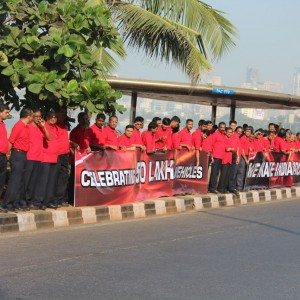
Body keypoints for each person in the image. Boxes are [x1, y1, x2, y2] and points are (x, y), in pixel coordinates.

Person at [3, 108, 33, 211]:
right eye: (32, 116)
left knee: (20, 181)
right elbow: (11, 141)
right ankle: (8, 204)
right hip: (17, 154)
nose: (32, 118)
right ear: (28, 116)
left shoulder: (26, 127)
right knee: (15, 180)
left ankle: (15, 203)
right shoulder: (18, 126)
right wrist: (7, 154)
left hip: (24, 155)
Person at [25, 108, 51, 208]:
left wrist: (44, 127)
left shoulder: (41, 128)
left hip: (39, 158)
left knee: (34, 182)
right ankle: (24, 201)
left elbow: (49, 138)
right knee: (27, 181)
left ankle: (31, 201)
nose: (38, 118)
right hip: (29, 157)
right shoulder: (28, 127)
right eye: (36, 116)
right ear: (32, 117)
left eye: (39, 116)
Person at [34, 111, 60, 209]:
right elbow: (49, 138)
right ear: (47, 118)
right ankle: (39, 201)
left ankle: (47, 201)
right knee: (43, 181)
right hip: (45, 158)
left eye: (55, 117)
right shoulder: (43, 126)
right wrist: (44, 126)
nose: (53, 119)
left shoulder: (55, 128)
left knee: (51, 181)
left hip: (54, 158)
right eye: (51, 117)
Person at [56, 107, 71, 206]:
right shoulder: (54, 125)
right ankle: (54, 199)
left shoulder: (65, 125)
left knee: (64, 177)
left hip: (65, 155)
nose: (63, 114)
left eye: (65, 113)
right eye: (61, 113)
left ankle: (60, 199)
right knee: (55, 177)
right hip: (57, 155)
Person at [217, 127, 238, 193]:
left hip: (230, 158)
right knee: (223, 174)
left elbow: (234, 149)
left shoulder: (231, 139)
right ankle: (220, 188)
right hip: (224, 158)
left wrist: (231, 149)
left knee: (227, 175)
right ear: (226, 132)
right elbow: (227, 149)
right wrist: (231, 149)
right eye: (228, 132)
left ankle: (224, 188)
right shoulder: (224, 138)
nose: (230, 133)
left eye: (231, 132)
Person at [208, 122, 227, 193]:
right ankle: (212, 188)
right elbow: (211, 145)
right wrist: (211, 156)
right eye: (221, 127)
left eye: (223, 127)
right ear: (219, 127)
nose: (222, 129)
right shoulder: (215, 135)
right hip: (215, 156)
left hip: (222, 157)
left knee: (217, 173)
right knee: (214, 173)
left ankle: (214, 187)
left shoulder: (224, 135)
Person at [236, 127, 253, 191]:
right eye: (247, 131)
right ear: (245, 132)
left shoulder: (249, 139)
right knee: (241, 172)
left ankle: (244, 186)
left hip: (248, 157)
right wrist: (246, 159)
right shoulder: (242, 138)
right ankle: (239, 187)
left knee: (246, 172)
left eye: (249, 132)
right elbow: (242, 150)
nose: (248, 133)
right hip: (243, 157)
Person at [0, 103, 10, 211]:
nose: (7, 115)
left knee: (1, 180)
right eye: (6, 112)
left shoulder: (3, 124)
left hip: (3, 156)